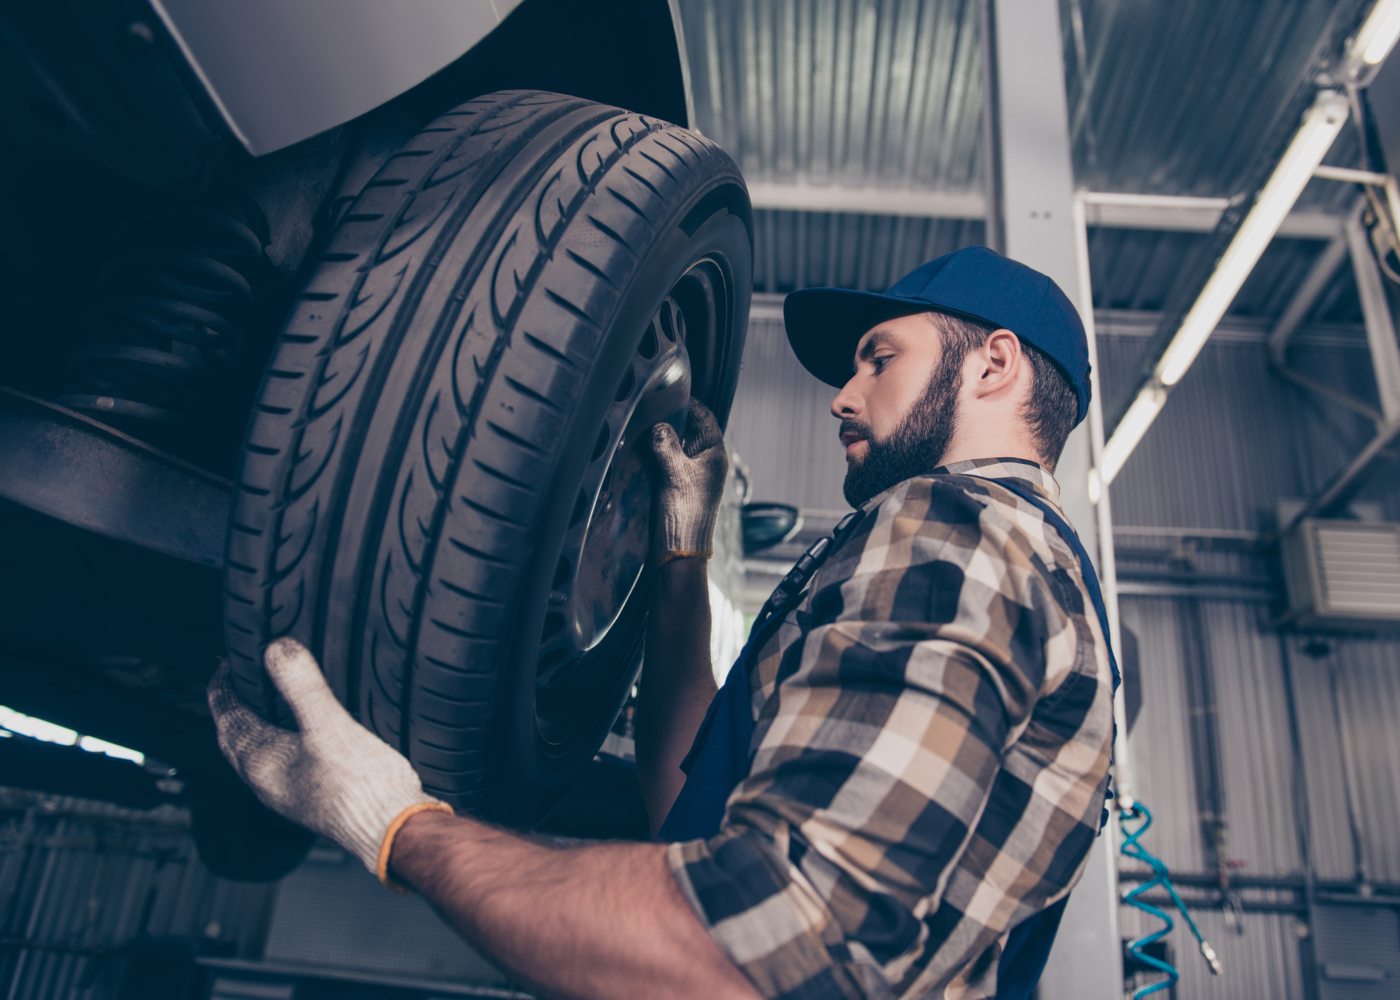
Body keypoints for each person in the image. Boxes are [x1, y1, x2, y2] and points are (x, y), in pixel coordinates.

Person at [208, 245, 1116, 999]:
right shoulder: (1004, 559)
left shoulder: (959, 530)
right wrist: (682, 555)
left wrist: (398, 828)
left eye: (879, 358)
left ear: (993, 364)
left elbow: (760, 939)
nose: (842, 395)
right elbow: (692, 809)